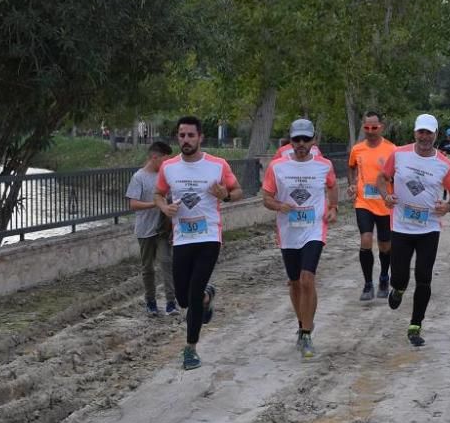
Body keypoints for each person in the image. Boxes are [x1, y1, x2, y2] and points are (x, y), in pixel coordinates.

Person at [155, 116, 243, 370]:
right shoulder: (169, 167)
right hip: (182, 238)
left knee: (191, 296)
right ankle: (206, 296)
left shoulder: (217, 165)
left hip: (209, 237)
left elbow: (238, 192)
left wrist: (225, 195)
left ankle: (190, 349)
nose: (186, 140)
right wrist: (164, 207)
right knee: (183, 298)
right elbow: (158, 193)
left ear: (200, 137)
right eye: (182, 136)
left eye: (190, 135)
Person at [377, 113, 450, 346]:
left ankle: (415, 325)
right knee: (400, 276)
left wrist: (449, 205)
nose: (424, 137)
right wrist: (386, 195)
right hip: (402, 226)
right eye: (421, 132)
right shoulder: (399, 154)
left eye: (429, 133)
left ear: (436, 135)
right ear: (415, 133)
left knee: (423, 277)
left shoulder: (444, 163)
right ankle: (398, 289)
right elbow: (382, 178)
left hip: (429, 228)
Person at [262, 119, 339, 359]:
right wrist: (278, 205)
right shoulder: (277, 167)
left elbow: (333, 186)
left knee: (307, 279)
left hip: (315, 229)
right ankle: (301, 322)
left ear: (313, 140)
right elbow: (266, 197)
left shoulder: (323, 165)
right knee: (295, 282)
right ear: (291, 141)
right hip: (288, 231)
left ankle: (306, 333)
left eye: (306, 139)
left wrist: (333, 207)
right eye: (297, 139)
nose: (302, 144)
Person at [348, 111, 397, 301]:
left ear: (381, 127)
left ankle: (384, 277)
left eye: (374, 127)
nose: (370, 131)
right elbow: (351, 166)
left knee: (385, 246)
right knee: (366, 240)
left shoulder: (392, 149)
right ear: (363, 127)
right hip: (364, 202)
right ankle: (368, 284)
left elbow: (398, 171)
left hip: (384, 204)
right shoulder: (357, 149)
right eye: (367, 127)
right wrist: (353, 183)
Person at [125, 141, 176, 317]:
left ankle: (171, 302)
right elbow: (132, 204)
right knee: (147, 268)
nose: (166, 164)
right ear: (154, 157)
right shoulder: (138, 177)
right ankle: (151, 302)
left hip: (162, 230)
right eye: (164, 160)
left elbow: (170, 199)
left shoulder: (166, 176)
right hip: (144, 230)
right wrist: (154, 204)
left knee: (166, 262)